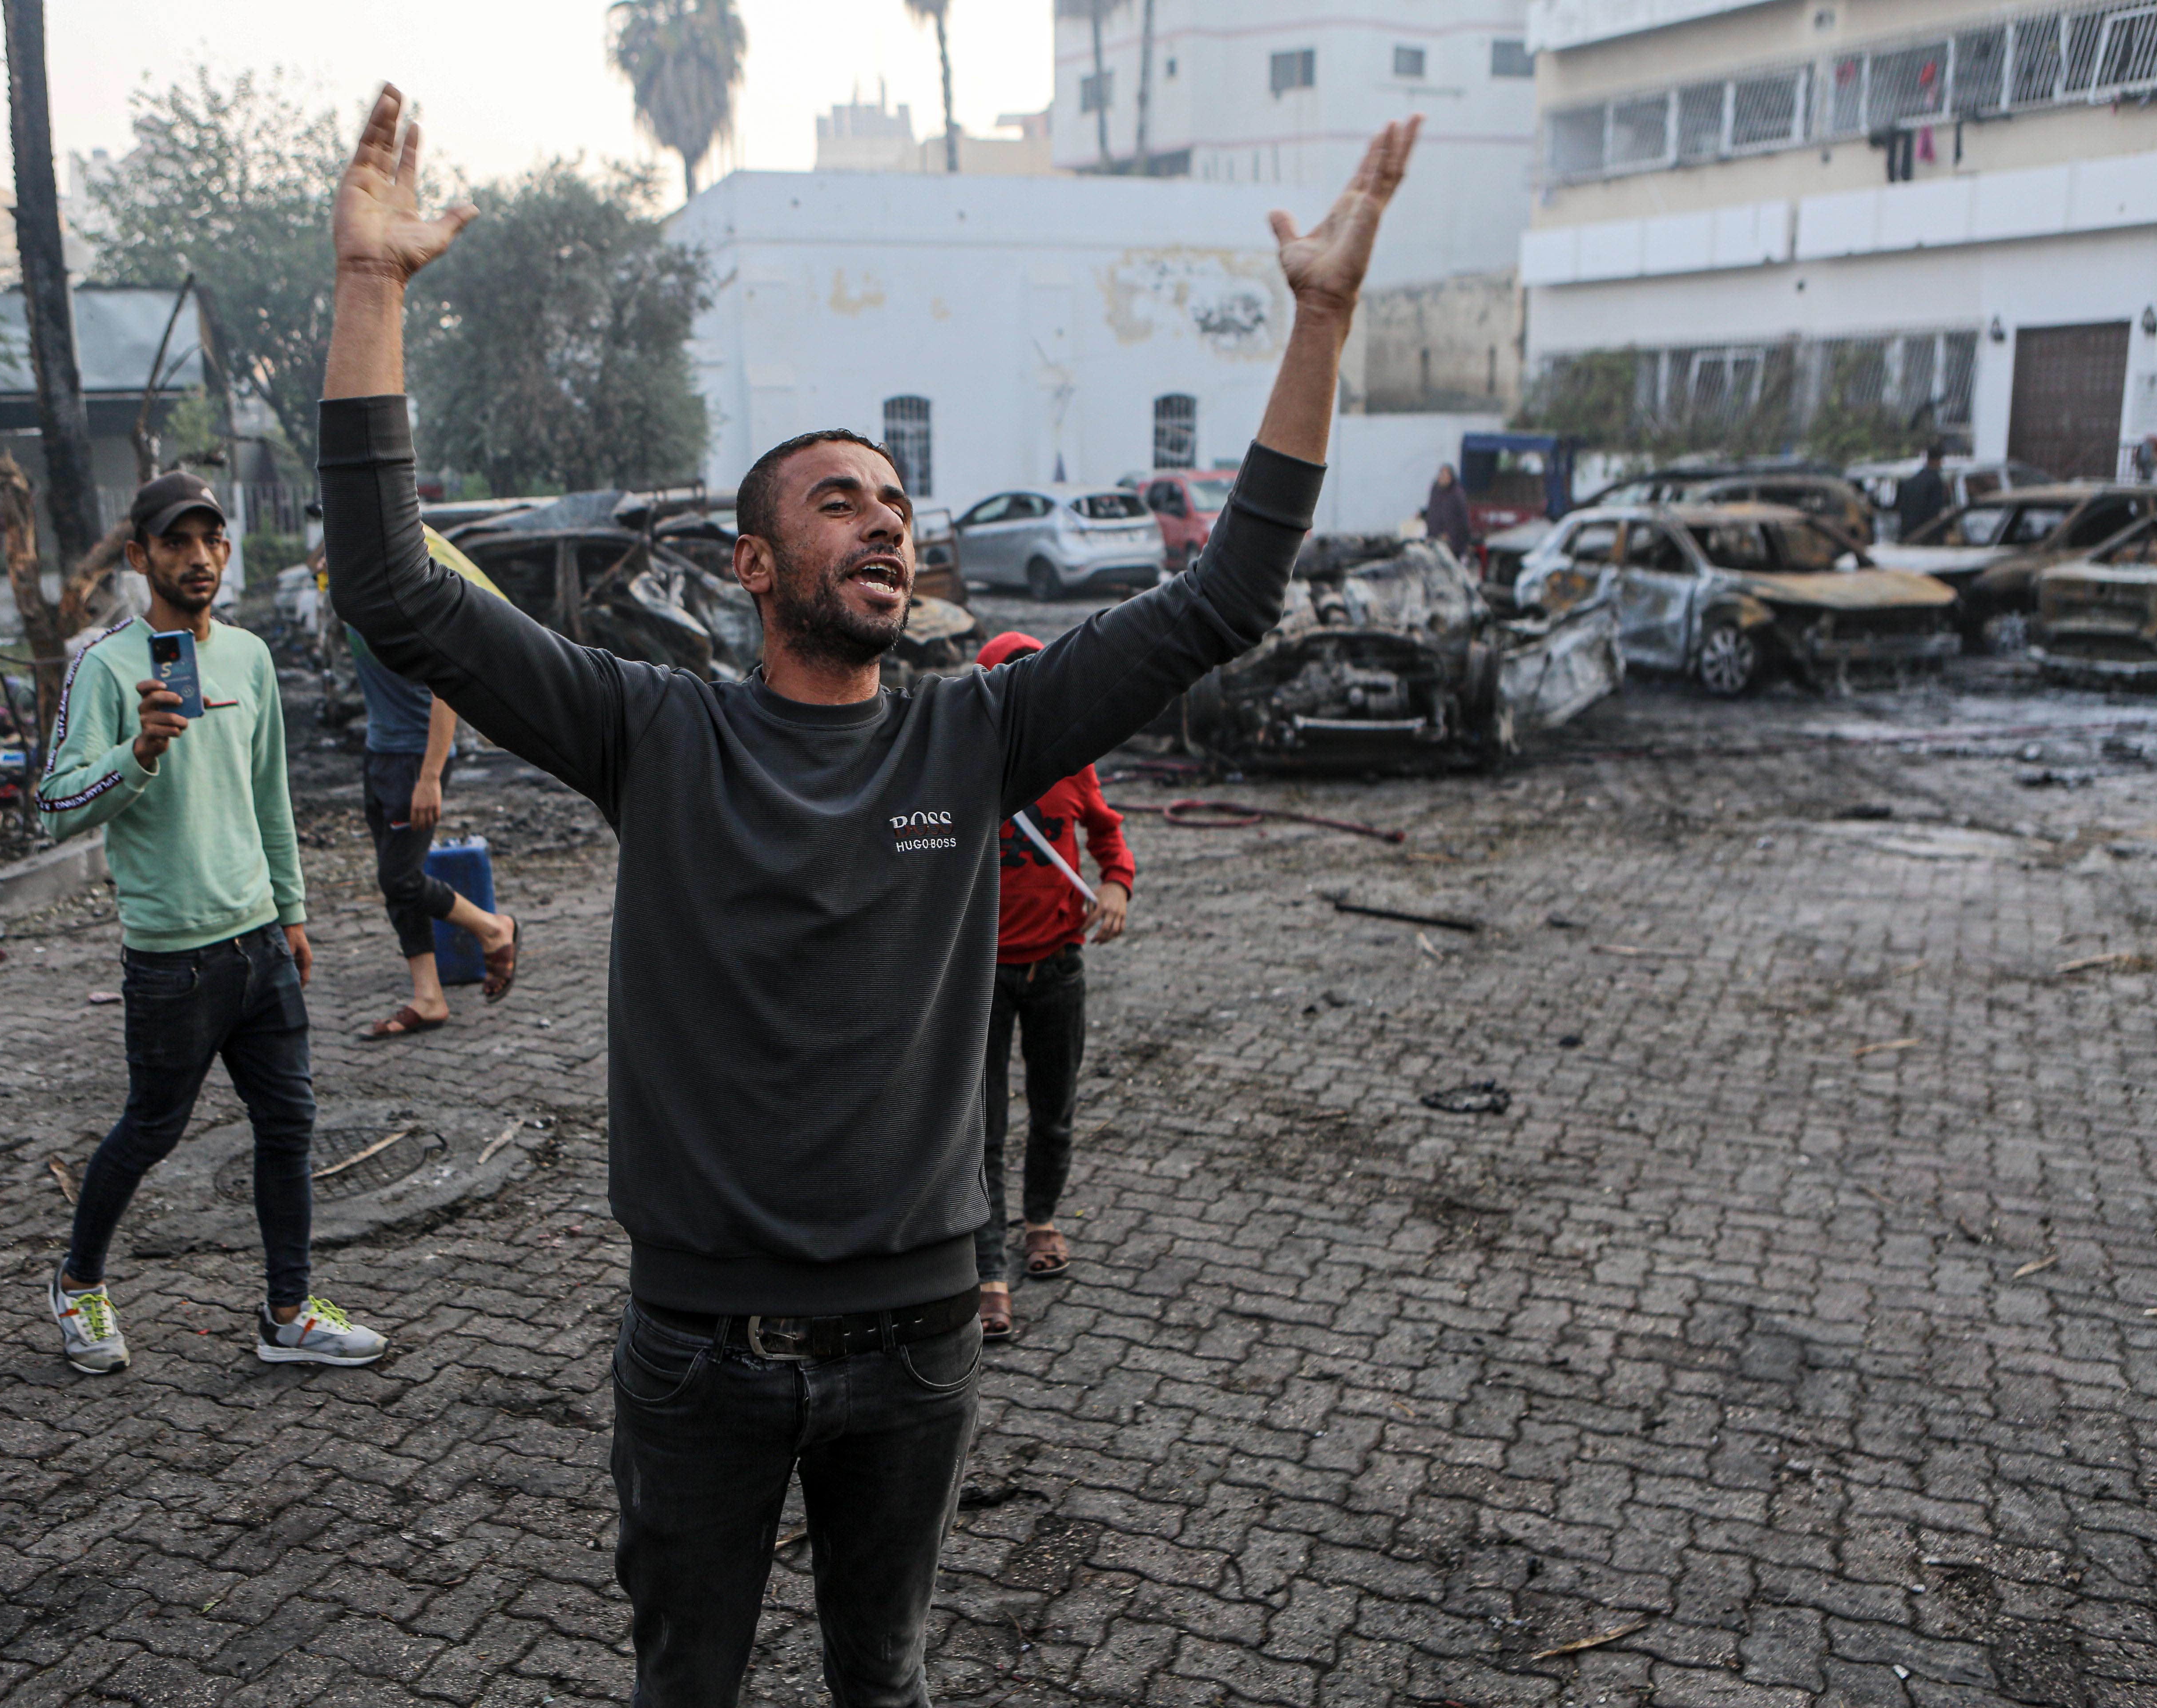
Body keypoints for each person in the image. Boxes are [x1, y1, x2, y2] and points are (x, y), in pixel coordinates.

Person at [319, 83, 1415, 1707]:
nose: (882, 521)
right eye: (838, 500)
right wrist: (371, 292)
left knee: (880, 1685)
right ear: (754, 563)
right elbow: (394, 589)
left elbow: (1226, 595)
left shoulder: (976, 731)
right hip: (694, 1345)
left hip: (916, 1342)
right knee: (681, 1682)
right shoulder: (653, 729)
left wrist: (1316, 319)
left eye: (896, 505)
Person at [36, 471, 387, 1374]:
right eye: (177, 542)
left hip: (260, 944)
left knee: (289, 1125)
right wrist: (139, 751)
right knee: (151, 1130)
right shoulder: (106, 667)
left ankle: (286, 1312)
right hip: (171, 961)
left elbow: (271, 794)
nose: (198, 558)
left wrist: (293, 912)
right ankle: (78, 1285)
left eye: (211, 541)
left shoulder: (249, 657)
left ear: (226, 552)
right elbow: (57, 807)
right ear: (140, 556)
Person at [972, 630, 1135, 1344]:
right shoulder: (963, 763)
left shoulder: (1073, 762)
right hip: (978, 976)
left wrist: (1117, 886)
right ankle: (988, 1272)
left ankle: (1040, 1221)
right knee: (980, 1129)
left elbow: (1108, 835)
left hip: (1058, 968)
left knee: (1055, 1109)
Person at [346, 525, 521, 1037]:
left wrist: (430, 776)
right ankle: (428, 997)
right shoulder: (356, 586)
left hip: (413, 758)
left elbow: (447, 689)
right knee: (395, 882)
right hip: (379, 753)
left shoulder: (408, 597)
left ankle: (494, 928)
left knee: (400, 877)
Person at [1896, 441, 1951, 540]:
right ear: (1939, 460)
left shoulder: (1913, 480)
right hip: (1926, 534)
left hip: (1908, 533)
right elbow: (1934, 512)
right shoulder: (1935, 481)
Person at [1423, 461, 1473, 556]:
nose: (1443, 478)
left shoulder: (1457, 494)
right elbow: (1432, 511)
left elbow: (1462, 518)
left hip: (1451, 541)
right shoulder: (1436, 490)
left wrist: (1451, 535)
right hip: (1434, 537)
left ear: (1451, 477)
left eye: (1446, 476)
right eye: (1441, 475)